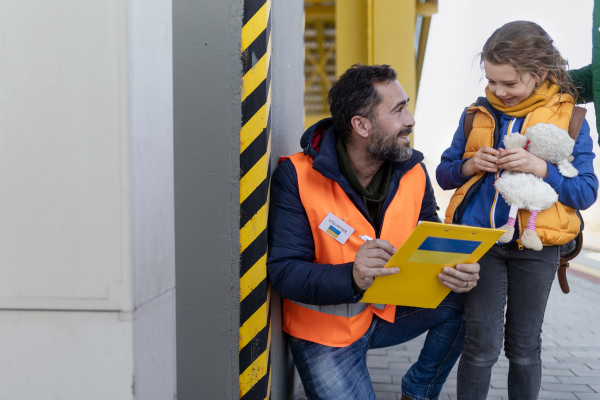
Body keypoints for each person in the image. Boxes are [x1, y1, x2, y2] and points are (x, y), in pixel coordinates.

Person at [267, 64, 481, 400]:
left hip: (385, 312)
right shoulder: (295, 176)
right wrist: (352, 276)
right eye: (398, 110)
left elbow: (428, 240)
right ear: (361, 125)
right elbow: (283, 272)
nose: (410, 119)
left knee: (472, 298)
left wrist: (455, 269)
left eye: (406, 106)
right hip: (326, 332)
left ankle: (419, 392)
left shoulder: (414, 173)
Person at [436, 21, 598, 400]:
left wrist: (540, 168)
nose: (498, 91)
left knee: (524, 348)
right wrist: (471, 164)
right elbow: (445, 174)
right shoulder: (474, 114)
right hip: (482, 244)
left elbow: (585, 192)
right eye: (492, 82)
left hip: (539, 247)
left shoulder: (572, 119)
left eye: (509, 84)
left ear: (540, 74)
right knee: (480, 345)